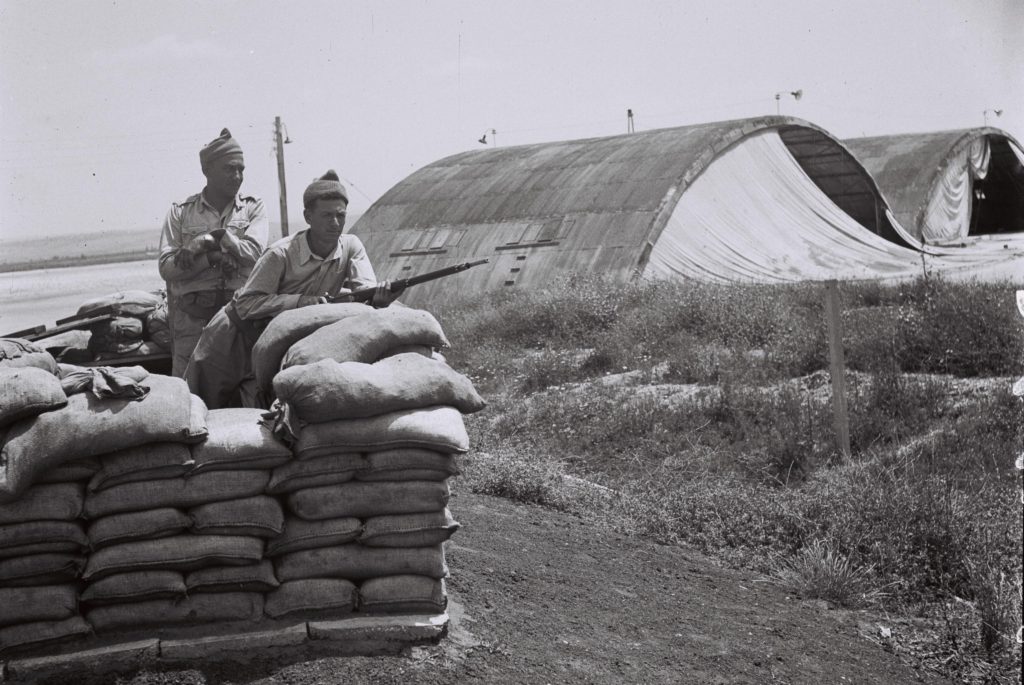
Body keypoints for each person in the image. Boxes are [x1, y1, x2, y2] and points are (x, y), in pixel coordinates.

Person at [184, 169, 395, 409]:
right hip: (233, 336)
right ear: (308, 216)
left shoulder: (351, 247)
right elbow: (246, 303)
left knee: (262, 410)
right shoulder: (281, 253)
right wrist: (301, 302)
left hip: (273, 341)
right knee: (205, 407)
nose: (335, 223)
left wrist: (379, 297)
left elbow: (363, 290)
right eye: (327, 215)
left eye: (340, 215)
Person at [158, 128, 269, 376]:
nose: (238, 176)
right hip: (192, 324)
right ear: (207, 170)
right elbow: (167, 267)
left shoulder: (252, 208)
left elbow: (253, 254)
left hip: (239, 322)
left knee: (243, 397)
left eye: (241, 169)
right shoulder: (181, 212)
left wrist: (210, 238)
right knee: (188, 396)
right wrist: (212, 256)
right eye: (229, 168)